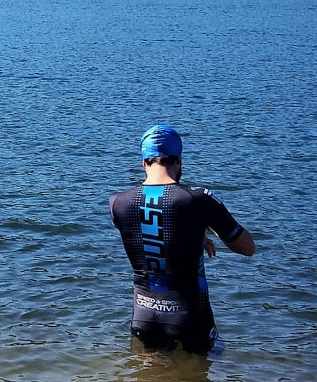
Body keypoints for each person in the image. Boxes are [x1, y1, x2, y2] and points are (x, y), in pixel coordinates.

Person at [109, 125, 256, 354]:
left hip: (144, 312)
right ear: (178, 160)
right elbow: (247, 248)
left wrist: (196, 234)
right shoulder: (199, 199)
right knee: (202, 379)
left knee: (149, 380)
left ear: (144, 162)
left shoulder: (118, 202)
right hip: (189, 315)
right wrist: (207, 225)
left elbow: (154, 231)